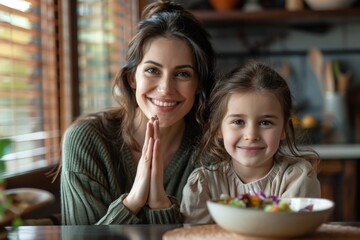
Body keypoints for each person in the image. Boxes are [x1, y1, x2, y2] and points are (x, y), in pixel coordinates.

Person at [59, 0, 215, 225]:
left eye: (182, 74)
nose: (165, 89)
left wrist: (161, 205)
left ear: (198, 84)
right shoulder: (87, 140)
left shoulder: (209, 148)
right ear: (132, 78)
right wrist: (131, 202)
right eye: (152, 70)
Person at [180, 61, 321, 224]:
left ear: (284, 129)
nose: (251, 135)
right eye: (238, 122)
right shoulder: (203, 184)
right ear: (218, 128)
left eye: (265, 123)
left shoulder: (298, 178)